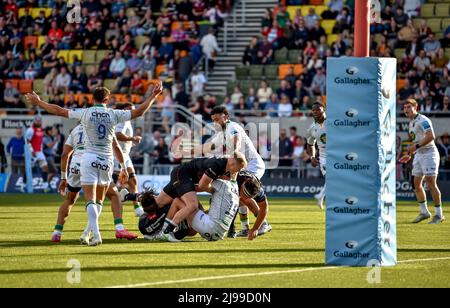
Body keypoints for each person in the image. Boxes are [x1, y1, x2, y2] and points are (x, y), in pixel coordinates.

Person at [25, 82, 163, 246]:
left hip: (88, 158)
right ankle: (100, 231)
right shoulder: (113, 114)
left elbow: (58, 110)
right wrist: (154, 96)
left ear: (93, 99)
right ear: (107, 99)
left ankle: (94, 235)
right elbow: (139, 112)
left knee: (89, 200)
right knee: (100, 200)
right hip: (106, 160)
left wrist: (39, 102)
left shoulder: (85, 113)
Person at [51, 124, 138, 243]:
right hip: (93, 163)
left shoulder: (75, 130)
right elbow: (115, 146)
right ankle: (118, 228)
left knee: (70, 199)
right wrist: (123, 167)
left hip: (75, 165)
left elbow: (64, 155)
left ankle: (57, 233)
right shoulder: (100, 125)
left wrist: (63, 178)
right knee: (110, 196)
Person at [154, 155, 247, 240]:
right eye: (238, 169)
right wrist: (214, 191)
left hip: (184, 177)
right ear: (232, 163)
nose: (238, 172)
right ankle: (167, 231)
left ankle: (154, 230)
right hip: (182, 174)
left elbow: (199, 187)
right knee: (192, 205)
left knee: (158, 203)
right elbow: (202, 185)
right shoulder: (217, 165)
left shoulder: (224, 167)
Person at [399, 99, 444, 224]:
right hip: (419, 155)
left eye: (408, 107)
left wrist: (416, 147)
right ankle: (424, 212)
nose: (406, 109)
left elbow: (430, 136)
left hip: (429, 154)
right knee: (416, 184)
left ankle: (439, 215)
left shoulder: (423, 120)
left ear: (416, 107)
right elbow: (415, 143)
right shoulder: (411, 123)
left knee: (430, 183)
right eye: (404, 108)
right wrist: (409, 154)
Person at [114, 102, 145, 217]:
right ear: (124, 110)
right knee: (114, 184)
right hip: (117, 155)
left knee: (133, 181)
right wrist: (133, 138)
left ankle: (137, 208)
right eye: (130, 109)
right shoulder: (122, 120)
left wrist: (130, 142)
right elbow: (117, 134)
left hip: (125, 154)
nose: (133, 111)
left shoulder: (128, 122)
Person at [306, 102, 327, 209]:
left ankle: (320, 196)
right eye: (313, 110)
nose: (315, 112)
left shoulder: (334, 122)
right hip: (324, 156)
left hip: (337, 153)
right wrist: (312, 157)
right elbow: (310, 144)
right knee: (331, 178)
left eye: (318, 109)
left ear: (324, 109)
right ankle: (320, 196)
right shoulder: (312, 128)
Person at [26, 116, 51, 186]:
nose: (38, 122)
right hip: (32, 153)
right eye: (37, 121)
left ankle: (45, 185)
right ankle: (24, 184)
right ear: (34, 121)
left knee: (45, 167)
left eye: (39, 121)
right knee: (29, 169)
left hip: (40, 152)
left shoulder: (42, 130)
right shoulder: (31, 130)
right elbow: (27, 141)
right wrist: (31, 150)